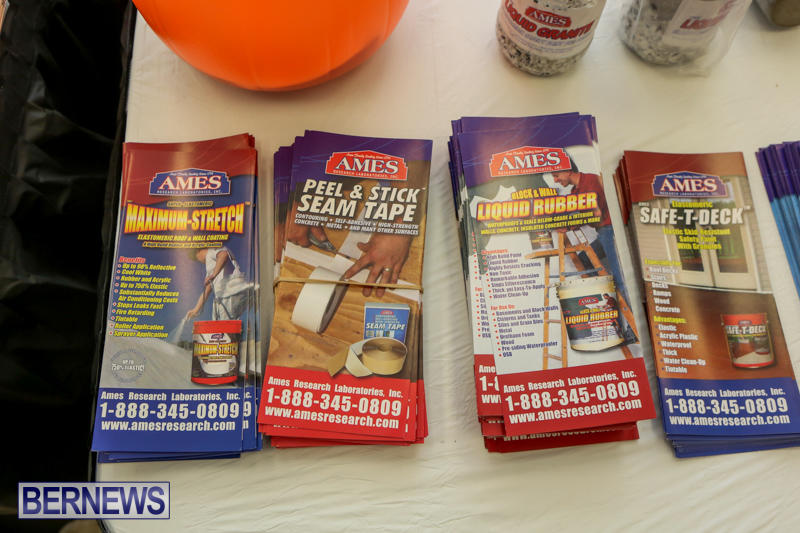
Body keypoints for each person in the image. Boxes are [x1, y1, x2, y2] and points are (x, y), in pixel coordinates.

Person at [552, 161, 636, 343]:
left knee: (618, 280)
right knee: (584, 261)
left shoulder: (591, 181)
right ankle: (609, 304)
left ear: (568, 170)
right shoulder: (575, 191)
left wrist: (569, 224)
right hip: (602, 232)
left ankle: (632, 327)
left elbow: (594, 213)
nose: (556, 180)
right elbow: (577, 211)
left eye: (557, 176)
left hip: (609, 231)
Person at [186, 246, 251, 321]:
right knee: (221, 323)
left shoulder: (212, 250)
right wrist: (196, 309)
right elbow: (207, 290)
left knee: (223, 325)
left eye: (197, 259)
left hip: (229, 293)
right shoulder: (211, 265)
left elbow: (224, 254)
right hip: (228, 295)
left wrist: (213, 275)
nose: (201, 262)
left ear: (198, 251)